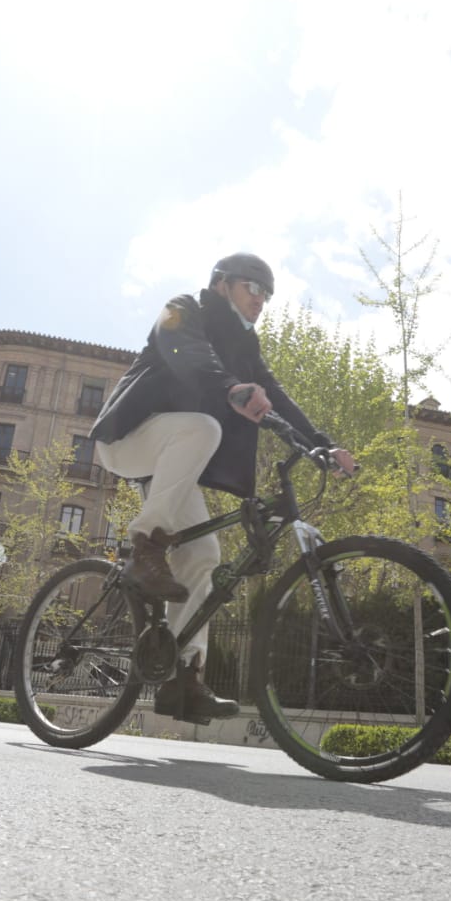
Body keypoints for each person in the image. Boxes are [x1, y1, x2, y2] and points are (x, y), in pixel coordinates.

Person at [90, 252, 356, 723]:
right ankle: (142, 549)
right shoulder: (182, 310)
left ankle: (182, 677)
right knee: (203, 429)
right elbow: (187, 352)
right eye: (253, 288)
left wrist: (322, 445)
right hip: (129, 439)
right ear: (221, 285)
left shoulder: (246, 348)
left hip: (170, 466)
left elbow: (277, 395)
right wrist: (232, 387)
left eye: (268, 295)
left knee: (205, 554)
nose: (261, 300)